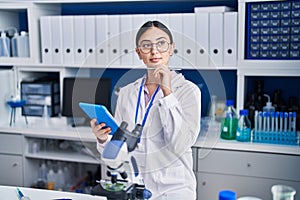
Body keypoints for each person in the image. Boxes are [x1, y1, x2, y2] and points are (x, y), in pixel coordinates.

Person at [90, 20, 201, 200]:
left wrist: (167, 93)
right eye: (146, 45)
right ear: (139, 53)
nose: (154, 50)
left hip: (174, 191)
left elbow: (179, 144)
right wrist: (103, 139)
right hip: (135, 189)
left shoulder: (188, 91)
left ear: (171, 48)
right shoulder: (126, 93)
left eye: (161, 44)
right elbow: (116, 154)